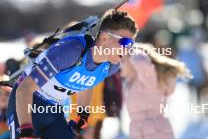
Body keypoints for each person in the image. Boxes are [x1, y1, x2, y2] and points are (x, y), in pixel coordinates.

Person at [7, 9, 138, 139]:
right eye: (125, 42)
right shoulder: (72, 51)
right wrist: (26, 130)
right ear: (104, 38)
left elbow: (88, 81)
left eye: (131, 44)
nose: (127, 49)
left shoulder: (112, 65)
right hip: (26, 103)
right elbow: (24, 90)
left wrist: (83, 113)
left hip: (54, 110)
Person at [120, 43, 191, 139]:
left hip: (155, 130)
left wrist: (131, 49)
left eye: (122, 60)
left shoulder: (146, 81)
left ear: (133, 61)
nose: (119, 64)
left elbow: (142, 62)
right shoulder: (132, 81)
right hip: (142, 130)